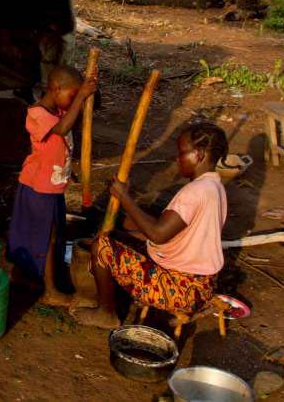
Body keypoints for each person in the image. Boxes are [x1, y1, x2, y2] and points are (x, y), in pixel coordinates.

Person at [73, 123, 229, 329]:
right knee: (127, 233)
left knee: (102, 247)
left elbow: (157, 234)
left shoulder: (195, 193)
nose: (177, 159)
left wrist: (124, 197)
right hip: (201, 285)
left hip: (179, 289)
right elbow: (173, 235)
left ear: (199, 155)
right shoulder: (215, 187)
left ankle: (106, 313)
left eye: (182, 153)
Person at [8, 65, 97, 306]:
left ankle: (33, 278)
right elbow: (63, 129)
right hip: (38, 187)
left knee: (48, 234)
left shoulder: (59, 110)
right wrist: (81, 96)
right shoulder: (37, 114)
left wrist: (84, 95)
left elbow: (69, 125)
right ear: (56, 89)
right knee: (45, 237)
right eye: (71, 94)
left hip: (53, 187)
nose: (73, 100)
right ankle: (49, 290)